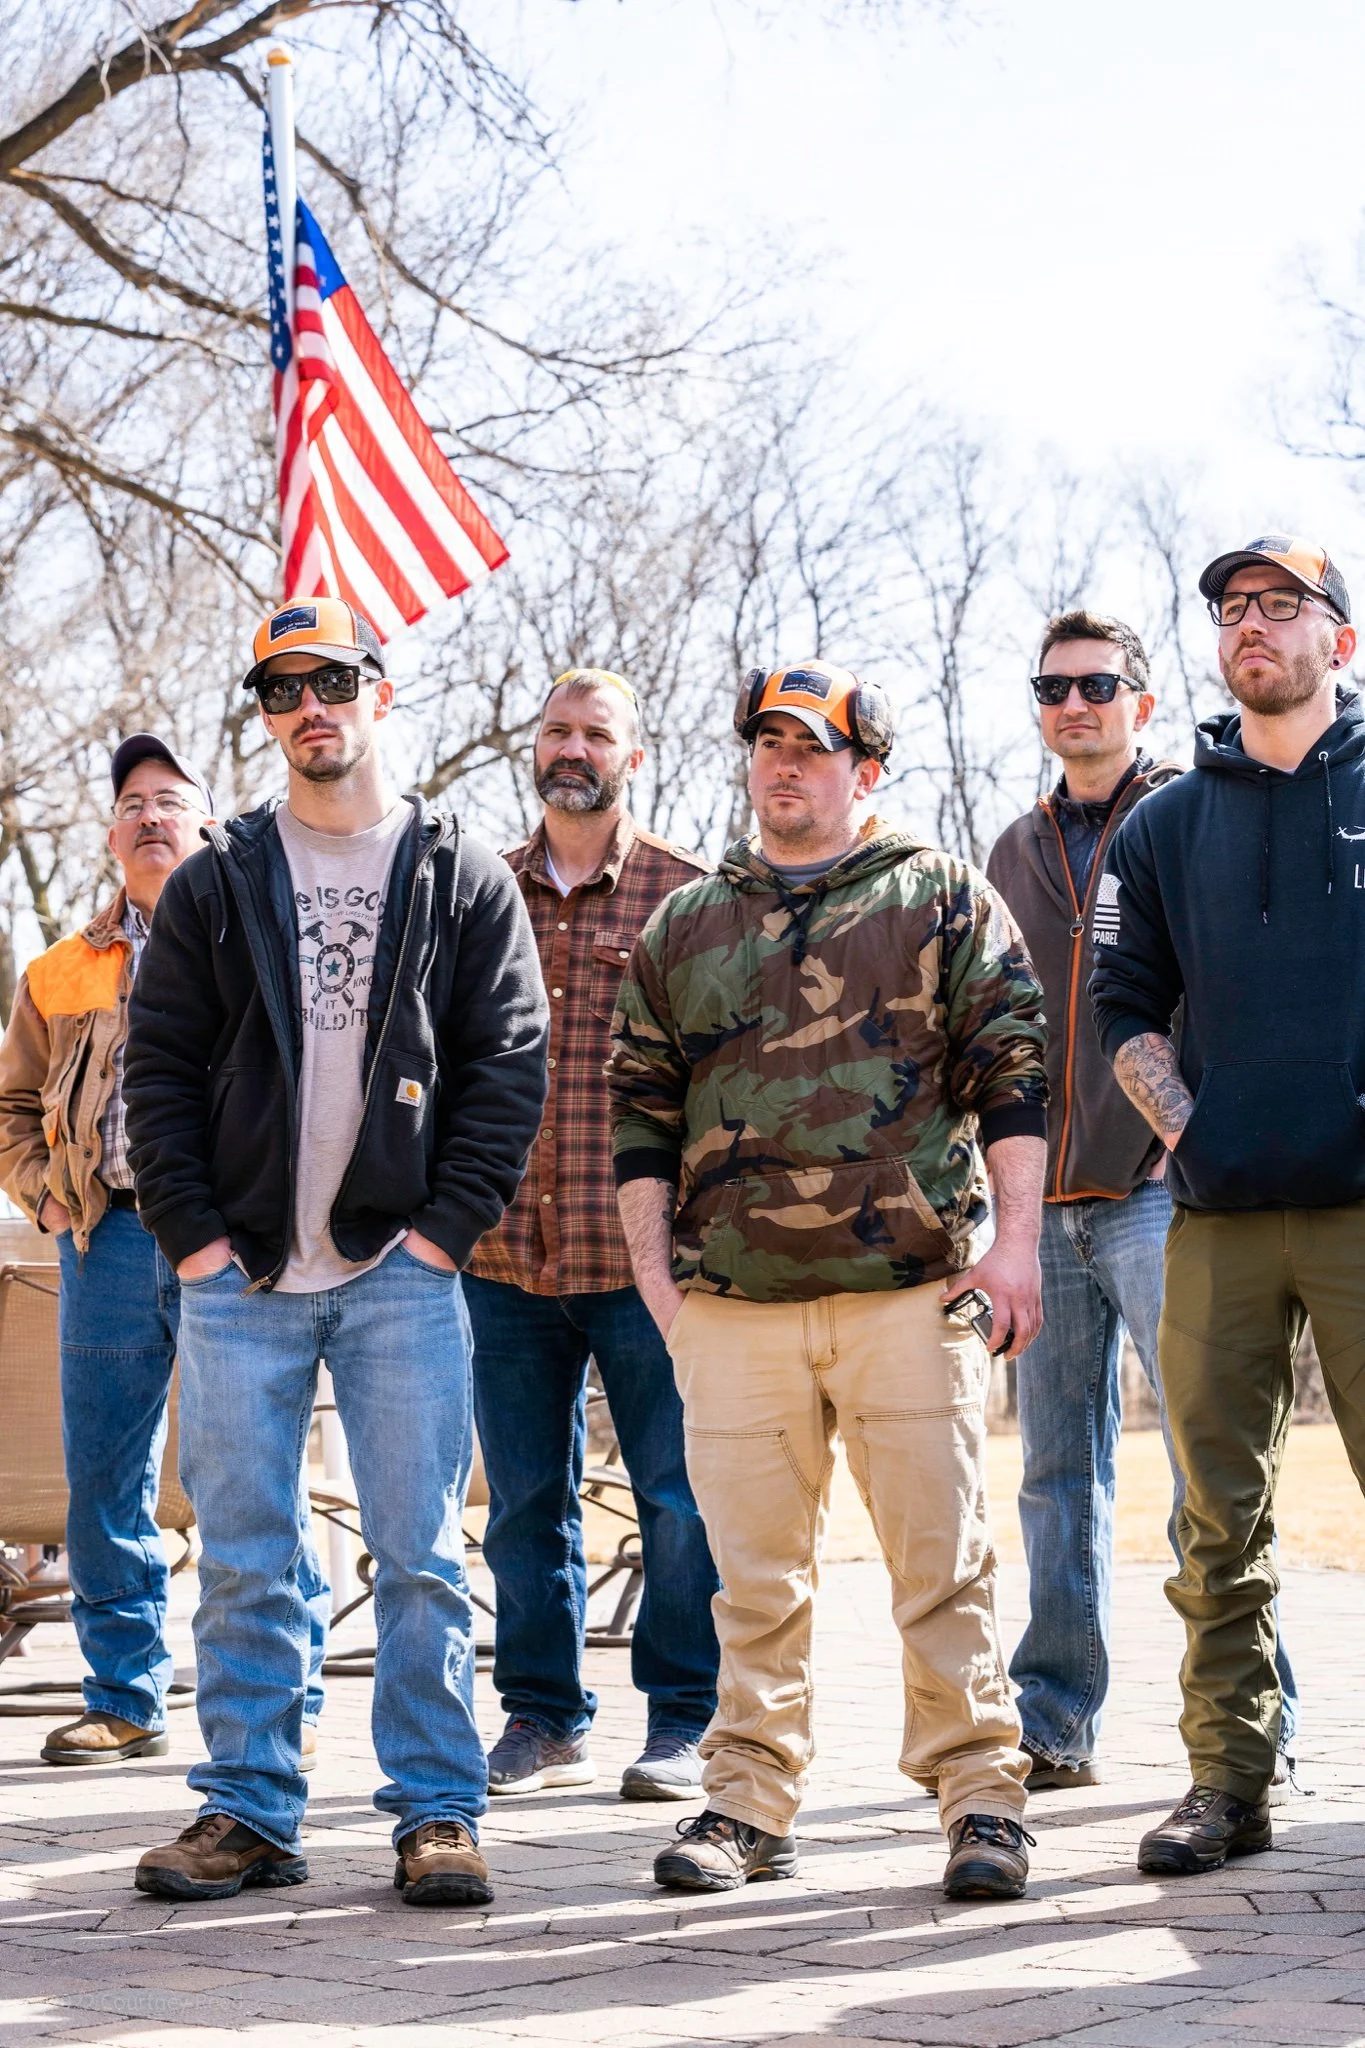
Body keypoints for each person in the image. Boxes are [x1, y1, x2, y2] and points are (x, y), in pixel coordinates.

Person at [122, 599, 548, 1908]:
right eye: (280, 688)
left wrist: (439, 1237)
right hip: (239, 1278)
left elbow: (508, 1064)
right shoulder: (215, 879)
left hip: (398, 1277)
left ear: (380, 687)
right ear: (264, 714)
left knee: (418, 1550)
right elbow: (161, 1070)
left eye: (333, 679)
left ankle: (436, 1810)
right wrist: (192, 1240)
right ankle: (248, 1810)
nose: (310, 706)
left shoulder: (458, 872)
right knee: (247, 1548)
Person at [607, 659, 1049, 1901]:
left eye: (811, 744)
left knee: (943, 1562)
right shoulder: (685, 922)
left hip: (909, 1293)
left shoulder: (939, 894)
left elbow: (1015, 1070)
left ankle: (980, 1800)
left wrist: (1013, 1245)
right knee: (750, 1576)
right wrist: (660, 1288)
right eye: (766, 743)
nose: (782, 763)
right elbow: (636, 1111)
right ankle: (746, 1800)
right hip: (733, 1311)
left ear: (864, 767)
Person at [988, 612, 1301, 1796]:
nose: (1076, 703)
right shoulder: (1013, 847)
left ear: (1143, 701)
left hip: (1162, 1195)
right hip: (1044, 1203)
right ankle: (1056, 1719)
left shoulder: (1190, 820)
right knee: (1056, 1477)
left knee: (1211, 1473)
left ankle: (1248, 1722)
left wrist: (1192, 1138)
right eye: (1054, 686)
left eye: (1099, 684)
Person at [1092, 534, 1361, 1876]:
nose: (1249, 625)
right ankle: (1228, 1780)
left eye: (1279, 604)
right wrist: (1195, 1126)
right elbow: (1120, 1001)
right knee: (1215, 1516)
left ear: (1339, 640)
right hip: (1221, 1218)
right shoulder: (1165, 823)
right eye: (1230, 610)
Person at [0, 736, 329, 1769]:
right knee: (105, 1474)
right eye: (132, 802)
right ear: (110, 832)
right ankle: (125, 1695)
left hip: (231, 1244)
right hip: (104, 1242)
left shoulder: (254, 938)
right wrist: (50, 1200)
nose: (149, 815)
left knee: (251, 1463)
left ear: (205, 824)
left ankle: (292, 1695)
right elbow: (11, 1105)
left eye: (171, 800)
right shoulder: (57, 971)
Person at [463, 668, 720, 1801]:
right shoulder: (474, 892)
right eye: (557, 730)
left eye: (597, 733)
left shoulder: (690, 896)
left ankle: (684, 1717)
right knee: (523, 1498)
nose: (574, 747)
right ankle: (542, 1711)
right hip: (503, 1248)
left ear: (635, 756)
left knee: (675, 1489)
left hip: (644, 1257)